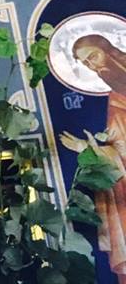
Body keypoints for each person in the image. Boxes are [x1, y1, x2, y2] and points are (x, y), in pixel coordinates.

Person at [60, 34, 126, 284]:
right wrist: (89, 150)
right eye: (86, 63)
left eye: (93, 57)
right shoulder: (116, 101)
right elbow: (120, 151)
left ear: (108, 50)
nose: (94, 66)